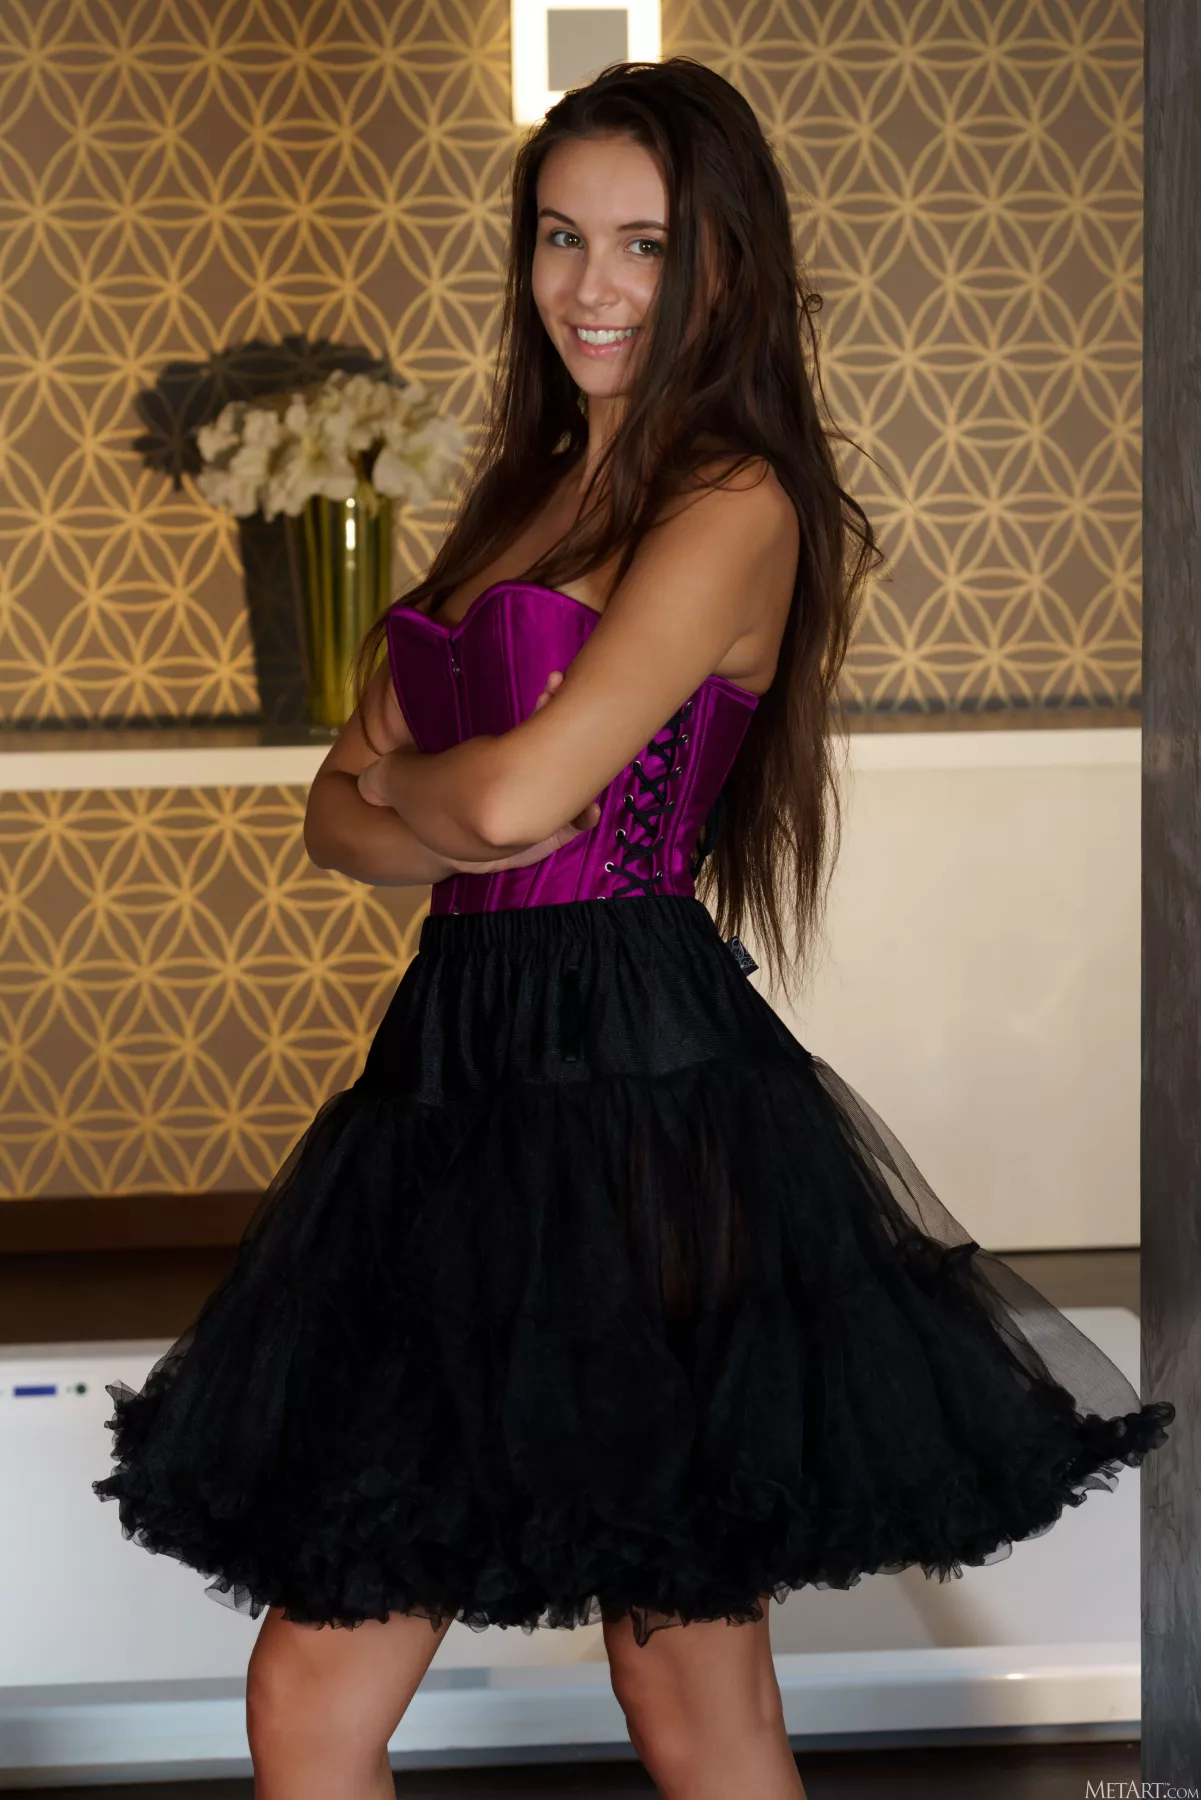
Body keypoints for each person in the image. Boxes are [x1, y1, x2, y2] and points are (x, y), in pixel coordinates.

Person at [94, 57, 1175, 1800]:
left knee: (687, 1689)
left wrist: (423, 796)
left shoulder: (734, 500)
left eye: (644, 244)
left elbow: (506, 805)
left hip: (640, 1085)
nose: (590, 286)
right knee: (311, 1691)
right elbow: (338, 812)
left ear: (723, 264)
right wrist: (442, 798)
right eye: (559, 236)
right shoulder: (521, 486)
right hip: (449, 1079)